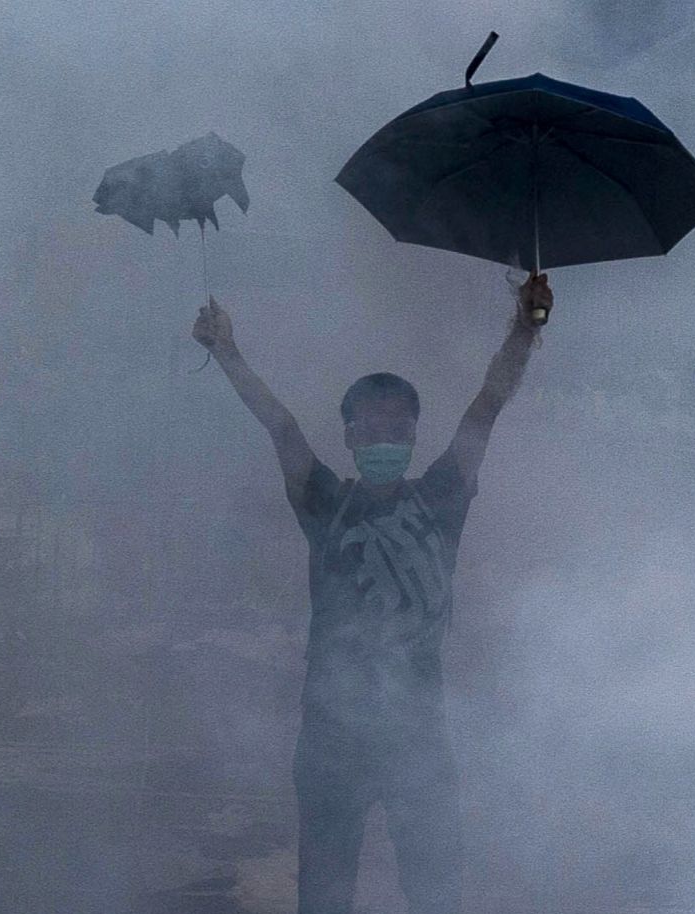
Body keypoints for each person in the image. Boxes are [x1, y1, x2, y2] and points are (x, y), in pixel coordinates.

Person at [192, 272, 545, 914]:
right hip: (332, 737)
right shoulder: (325, 505)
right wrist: (227, 352)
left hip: (419, 735)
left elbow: (487, 405)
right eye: (371, 428)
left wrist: (525, 328)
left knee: (436, 894)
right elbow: (281, 426)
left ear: (413, 436)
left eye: (397, 427)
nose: (384, 439)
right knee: (324, 898)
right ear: (351, 438)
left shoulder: (441, 499)